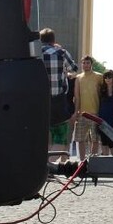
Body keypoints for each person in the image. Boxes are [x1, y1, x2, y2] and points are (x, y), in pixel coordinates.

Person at [39, 28, 78, 160]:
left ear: (41, 40)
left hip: (40, 99)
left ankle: (39, 164)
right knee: (60, 134)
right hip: (58, 99)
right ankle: (49, 165)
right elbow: (74, 68)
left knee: (42, 132)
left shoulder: (37, 53)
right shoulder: (61, 52)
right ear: (54, 40)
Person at [72, 56, 103, 159]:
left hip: (95, 113)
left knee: (95, 139)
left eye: (88, 63)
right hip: (82, 113)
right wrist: (76, 112)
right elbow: (77, 96)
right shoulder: (78, 78)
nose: (85, 65)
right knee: (80, 139)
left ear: (91, 64)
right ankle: (82, 161)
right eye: (84, 63)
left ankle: (92, 160)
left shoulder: (99, 77)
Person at [97, 70, 113, 153]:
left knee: (112, 141)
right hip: (102, 117)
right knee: (103, 141)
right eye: (105, 77)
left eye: (110, 77)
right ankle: (105, 161)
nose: (107, 79)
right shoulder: (101, 90)